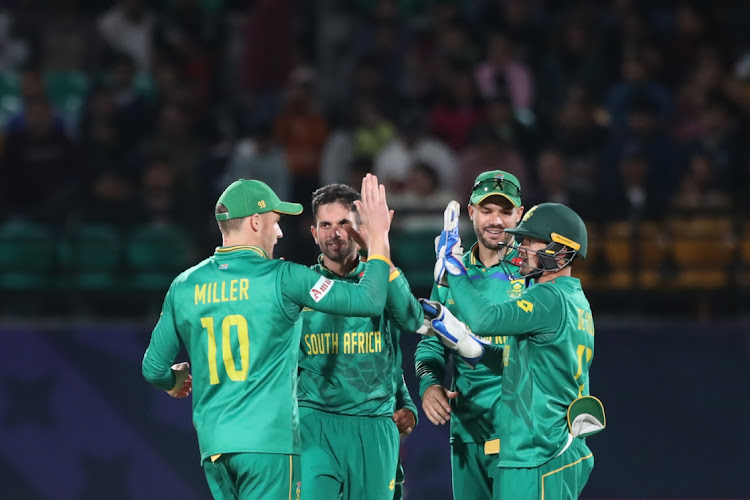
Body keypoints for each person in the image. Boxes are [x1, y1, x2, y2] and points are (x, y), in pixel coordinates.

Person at [141, 174, 394, 499]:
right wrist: (378, 240)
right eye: (275, 222)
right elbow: (370, 301)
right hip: (269, 448)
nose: (280, 231)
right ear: (256, 222)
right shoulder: (285, 278)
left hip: (215, 450)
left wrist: (173, 383)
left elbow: (152, 369)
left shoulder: (184, 285)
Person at [432, 202, 599, 500]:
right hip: (542, 448)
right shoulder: (569, 297)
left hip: (538, 452)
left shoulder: (549, 297)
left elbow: (485, 319)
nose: (520, 248)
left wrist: (455, 269)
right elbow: (532, 362)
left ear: (560, 251)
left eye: (530, 241)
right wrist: (475, 350)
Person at [298, 183, 420, 499]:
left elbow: (410, 322)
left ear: (361, 228)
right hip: (315, 424)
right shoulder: (300, 288)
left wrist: (405, 403)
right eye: (326, 225)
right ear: (314, 233)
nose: (335, 233)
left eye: (344, 223)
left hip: (374, 425)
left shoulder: (383, 280)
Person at [414, 170, 525, 500]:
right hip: (467, 431)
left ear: (519, 214)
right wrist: (429, 383)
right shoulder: (449, 271)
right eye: (487, 210)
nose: (496, 221)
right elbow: (432, 341)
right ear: (471, 212)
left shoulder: (533, 268)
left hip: (519, 431)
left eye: (505, 211)